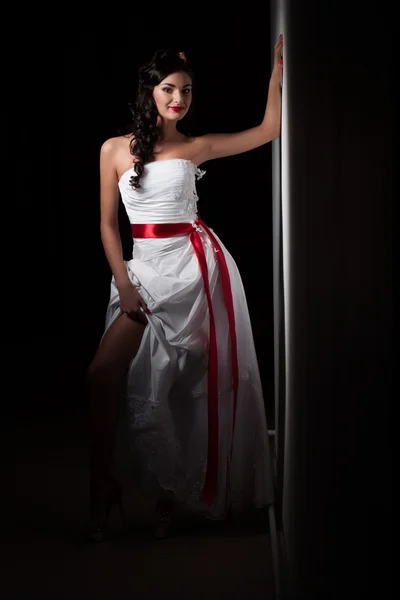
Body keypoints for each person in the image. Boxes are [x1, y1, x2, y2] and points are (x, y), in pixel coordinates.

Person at [85, 38, 283, 542]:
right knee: (103, 376)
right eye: (169, 89)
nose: (179, 98)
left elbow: (267, 131)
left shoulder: (196, 147)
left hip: (193, 273)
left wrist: (275, 82)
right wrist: (125, 286)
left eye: (187, 91)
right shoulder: (114, 149)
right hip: (143, 272)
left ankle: (168, 496)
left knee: (180, 388)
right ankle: (102, 486)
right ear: (150, 91)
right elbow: (109, 227)